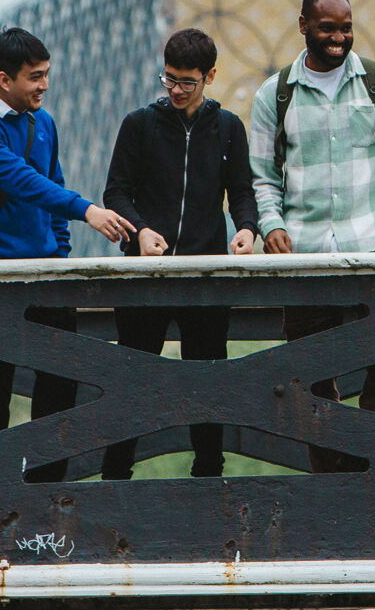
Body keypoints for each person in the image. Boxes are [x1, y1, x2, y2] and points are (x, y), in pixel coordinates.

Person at [249, 0, 375, 471]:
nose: (339, 37)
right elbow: (263, 176)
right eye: (328, 28)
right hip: (307, 255)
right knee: (308, 376)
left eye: (346, 27)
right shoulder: (275, 93)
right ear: (303, 25)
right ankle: (332, 481)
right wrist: (270, 225)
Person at [0, 26, 136, 481]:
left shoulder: (43, 122)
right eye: (35, 76)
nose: (44, 85)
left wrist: (61, 252)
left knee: (61, 379)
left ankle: (45, 487)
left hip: (46, 270)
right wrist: (87, 210)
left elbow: (51, 183)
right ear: (3, 78)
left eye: (46, 74)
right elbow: (24, 183)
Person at [98, 27, 261, 480]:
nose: (174, 90)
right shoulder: (139, 124)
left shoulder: (229, 129)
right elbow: (116, 192)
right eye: (168, 78)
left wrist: (247, 229)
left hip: (206, 274)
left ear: (210, 76)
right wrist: (141, 233)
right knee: (130, 381)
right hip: (145, 277)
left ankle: (209, 476)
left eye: (186, 82)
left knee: (209, 380)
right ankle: (116, 477)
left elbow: (242, 193)